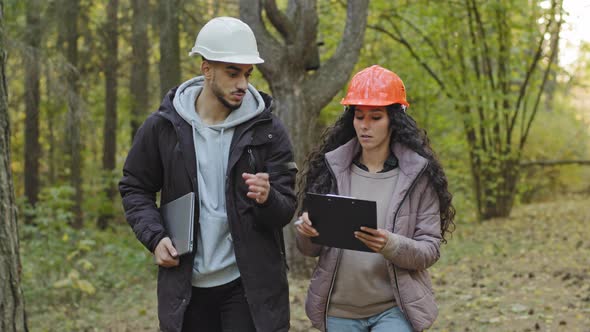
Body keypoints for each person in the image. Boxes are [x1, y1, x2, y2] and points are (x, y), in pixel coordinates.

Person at [119, 17, 297, 332]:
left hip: (247, 286)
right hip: (185, 287)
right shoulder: (163, 127)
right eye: (233, 73)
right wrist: (155, 237)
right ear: (206, 69)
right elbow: (135, 187)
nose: (243, 83)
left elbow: (285, 209)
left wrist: (268, 198)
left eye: (247, 74)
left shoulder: (267, 130)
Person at [295, 65, 455, 332]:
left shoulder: (418, 176)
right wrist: (306, 232)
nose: (365, 126)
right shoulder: (331, 169)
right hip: (338, 310)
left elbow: (429, 250)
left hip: (394, 309)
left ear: (394, 120)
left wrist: (389, 244)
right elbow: (309, 250)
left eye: (376, 117)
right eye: (359, 116)